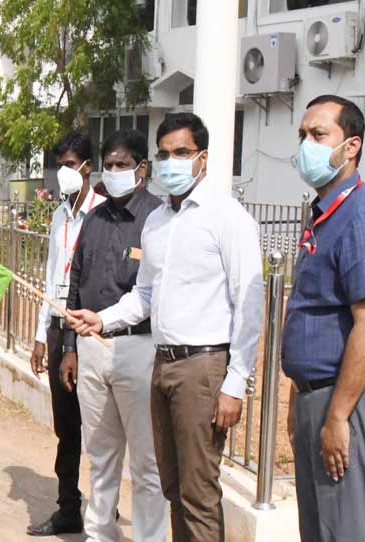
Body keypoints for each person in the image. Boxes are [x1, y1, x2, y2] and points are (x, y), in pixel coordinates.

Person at [68, 113, 264, 542]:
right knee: (172, 484)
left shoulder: (226, 218)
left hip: (203, 366)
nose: (171, 162)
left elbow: (250, 305)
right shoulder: (158, 223)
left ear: (203, 159)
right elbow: (145, 296)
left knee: (197, 492)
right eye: (164, 154)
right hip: (163, 363)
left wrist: (235, 383)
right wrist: (102, 319)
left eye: (181, 153)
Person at [282, 95, 365, 542]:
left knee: (344, 530)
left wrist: (338, 416)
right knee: (320, 530)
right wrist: (297, 397)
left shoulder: (361, 218)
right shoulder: (325, 214)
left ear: (351, 147)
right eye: (303, 135)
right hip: (319, 397)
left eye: (318, 135)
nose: (306, 144)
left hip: (348, 400)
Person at [60, 129, 167, 542]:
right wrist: (70, 346)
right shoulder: (95, 218)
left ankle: (148, 538)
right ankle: (99, 534)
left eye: (123, 164)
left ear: (141, 168)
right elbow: (76, 280)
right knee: (101, 455)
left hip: (139, 349)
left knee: (146, 463)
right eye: (110, 164)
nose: (115, 171)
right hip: (91, 350)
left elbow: (150, 294)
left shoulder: (156, 219)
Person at [27, 131, 105, 537]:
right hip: (59, 330)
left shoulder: (104, 214)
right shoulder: (60, 215)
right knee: (66, 426)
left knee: (100, 428)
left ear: (88, 167)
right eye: (60, 165)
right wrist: (42, 335)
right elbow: (51, 275)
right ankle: (68, 506)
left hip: (91, 331)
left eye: (71, 164)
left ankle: (102, 514)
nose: (64, 173)